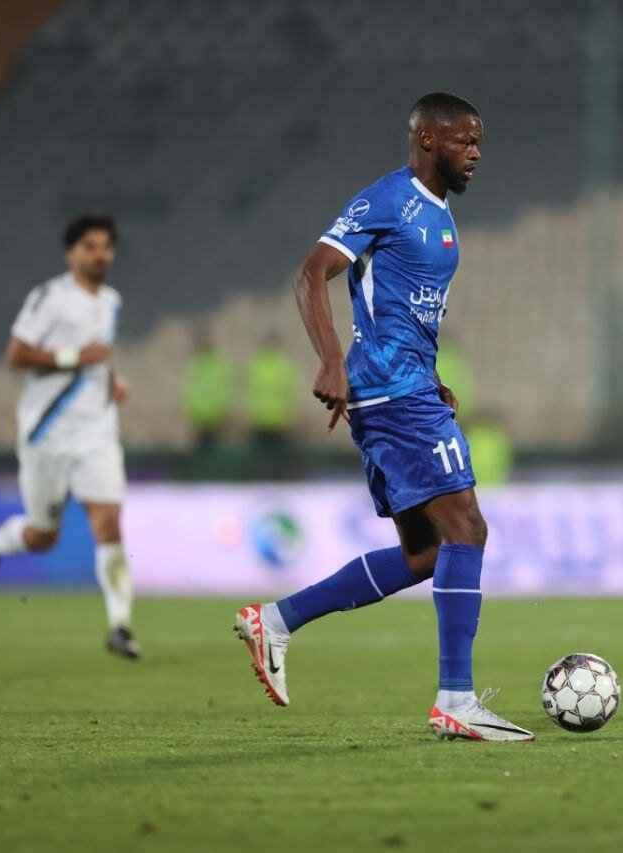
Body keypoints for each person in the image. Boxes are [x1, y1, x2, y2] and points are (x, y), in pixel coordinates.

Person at [232, 93, 533, 741]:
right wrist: (330, 360)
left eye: (479, 142)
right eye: (464, 141)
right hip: (390, 391)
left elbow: (403, 310)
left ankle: (276, 621)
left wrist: (433, 375)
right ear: (427, 140)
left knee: (426, 553)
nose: (476, 153)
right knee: (467, 528)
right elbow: (311, 274)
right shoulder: (390, 200)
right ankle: (456, 700)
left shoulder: (441, 214)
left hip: (408, 386)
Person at [0, 215, 141, 660]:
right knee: (43, 535)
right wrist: (73, 356)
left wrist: (112, 381)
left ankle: (120, 626)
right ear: (71, 253)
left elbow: (100, 357)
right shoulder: (50, 298)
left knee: (109, 522)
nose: (100, 254)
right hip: (47, 432)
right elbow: (16, 354)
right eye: (90, 246)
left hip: (98, 431)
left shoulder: (111, 301)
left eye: (106, 246)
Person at [182, 322, 233, 451]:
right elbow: (191, 391)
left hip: (215, 418)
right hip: (200, 418)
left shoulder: (216, 365)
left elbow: (224, 390)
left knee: (213, 450)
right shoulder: (196, 365)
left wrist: (224, 412)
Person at [246, 331, 298, 449]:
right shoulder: (256, 365)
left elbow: (289, 395)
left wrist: (288, 417)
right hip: (259, 421)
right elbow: (251, 393)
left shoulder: (283, 366)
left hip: (278, 423)